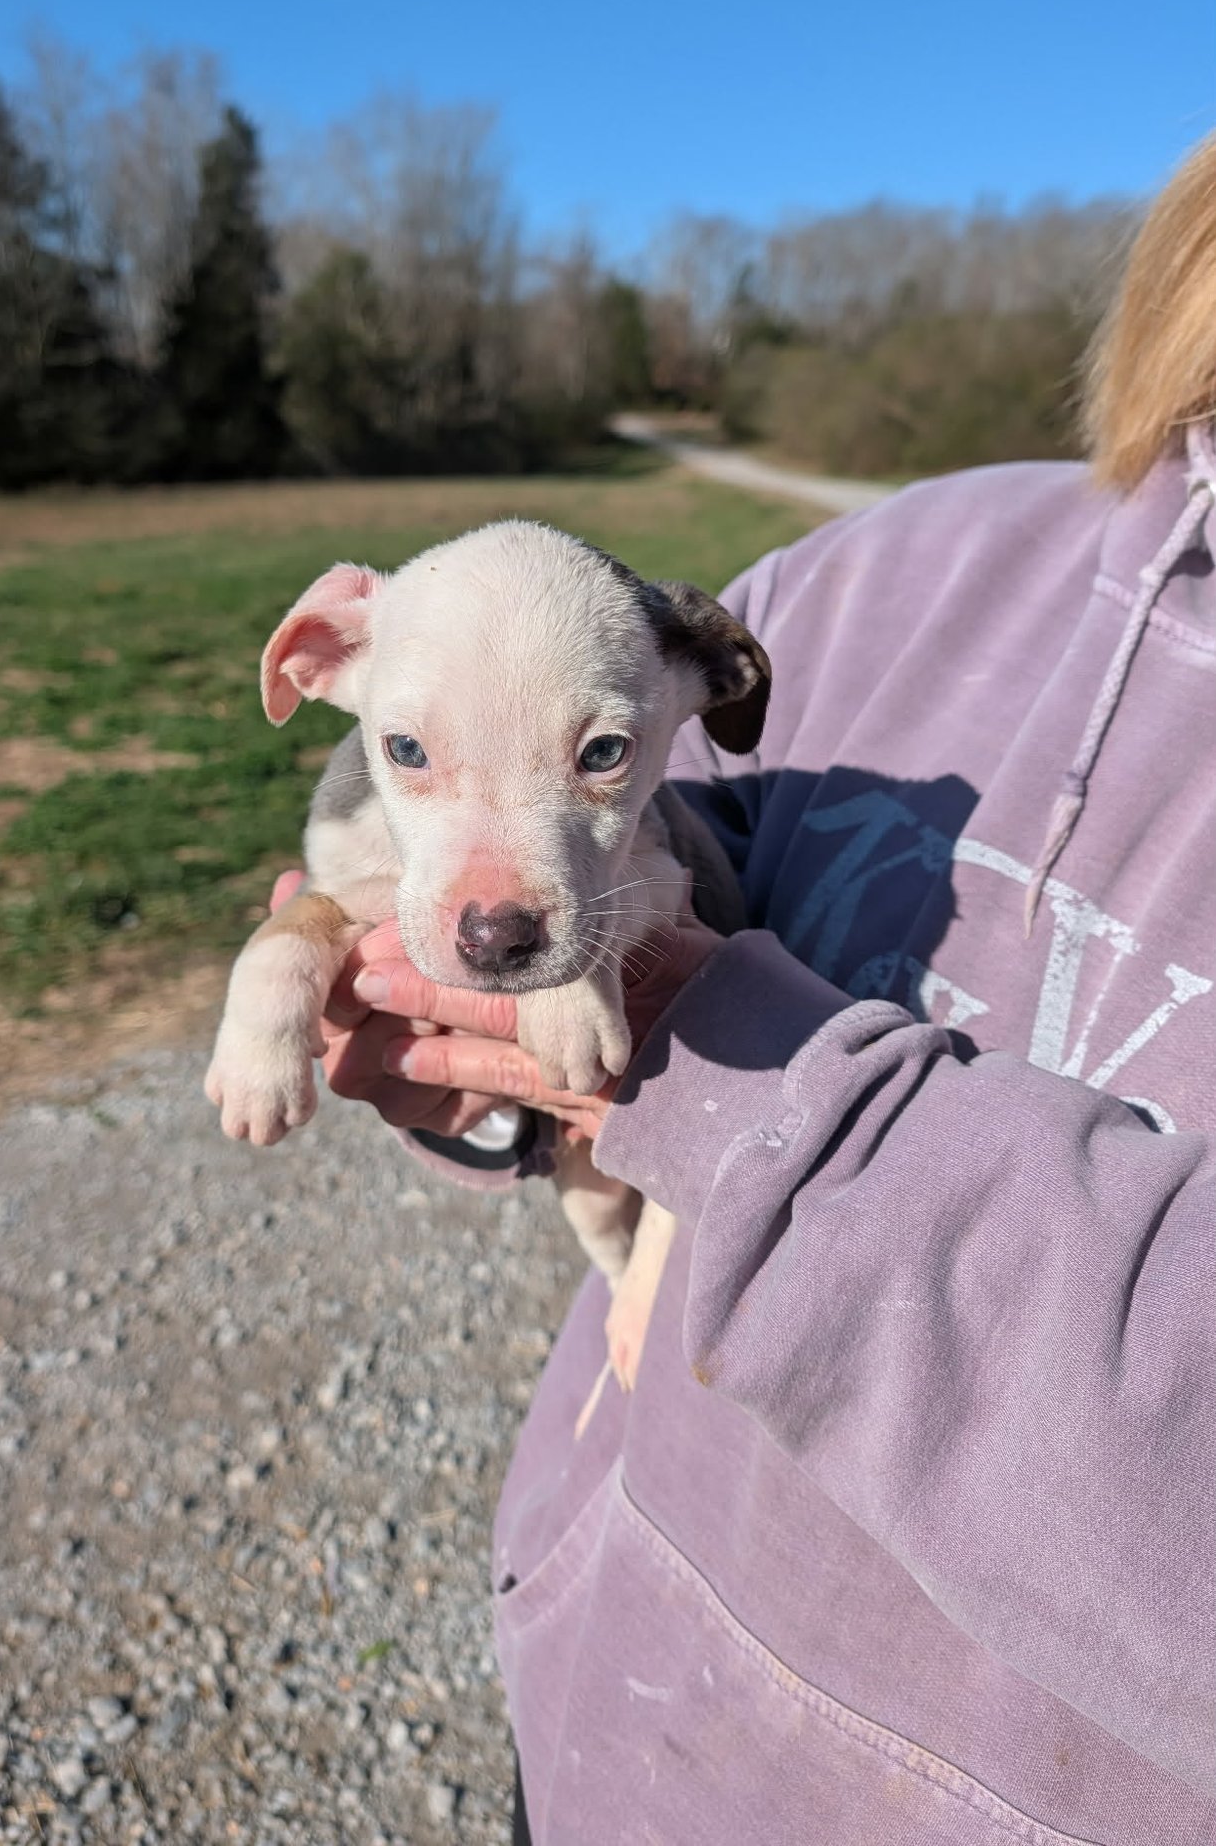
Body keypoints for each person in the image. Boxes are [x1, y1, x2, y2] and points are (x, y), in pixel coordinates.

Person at [272, 132, 1216, 1843]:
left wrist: (712, 1081)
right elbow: (548, 965)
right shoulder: (886, 574)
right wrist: (480, 1095)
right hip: (602, 1722)